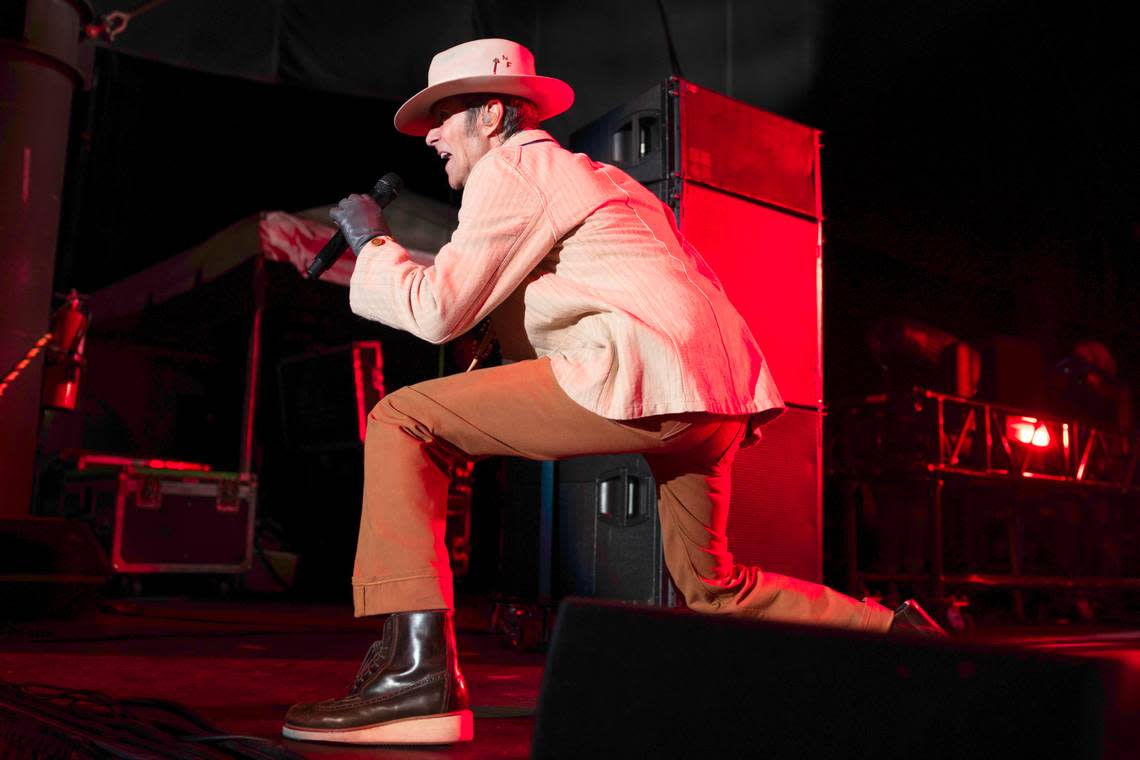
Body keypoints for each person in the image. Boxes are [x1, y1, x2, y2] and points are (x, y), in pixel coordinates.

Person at [282, 38, 943, 747]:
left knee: (401, 418)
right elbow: (491, 301)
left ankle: (416, 681)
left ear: (495, 113)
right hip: (713, 394)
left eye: (446, 113)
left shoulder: (514, 168)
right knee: (713, 587)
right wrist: (384, 276)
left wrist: (369, 239)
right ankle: (903, 637)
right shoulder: (599, 178)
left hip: (646, 376)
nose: (433, 134)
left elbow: (441, 310)